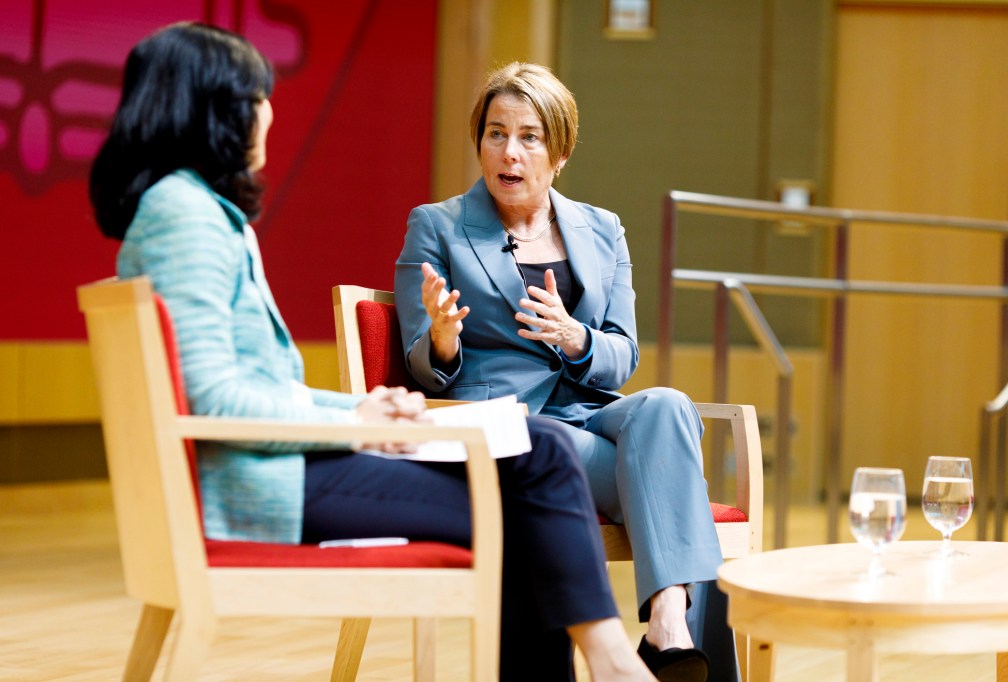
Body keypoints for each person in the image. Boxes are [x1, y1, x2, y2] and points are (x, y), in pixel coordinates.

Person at [89, 23, 659, 682]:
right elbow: (216, 399)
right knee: (532, 484)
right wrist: (353, 425)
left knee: (540, 449)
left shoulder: (190, 208)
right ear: (210, 107)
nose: (268, 109)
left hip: (278, 462)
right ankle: (616, 663)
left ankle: (612, 661)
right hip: (264, 482)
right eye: (255, 94)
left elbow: (240, 382)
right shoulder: (183, 214)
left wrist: (360, 406)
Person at [395, 62, 735, 682]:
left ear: (560, 150)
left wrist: (576, 337)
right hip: (509, 432)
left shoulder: (603, 231)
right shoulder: (438, 226)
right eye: (495, 133)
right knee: (670, 475)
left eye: (529, 136)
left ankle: (667, 621)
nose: (509, 152)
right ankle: (673, 638)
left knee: (666, 405)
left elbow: (622, 354)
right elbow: (421, 361)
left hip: (589, 413)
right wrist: (442, 339)